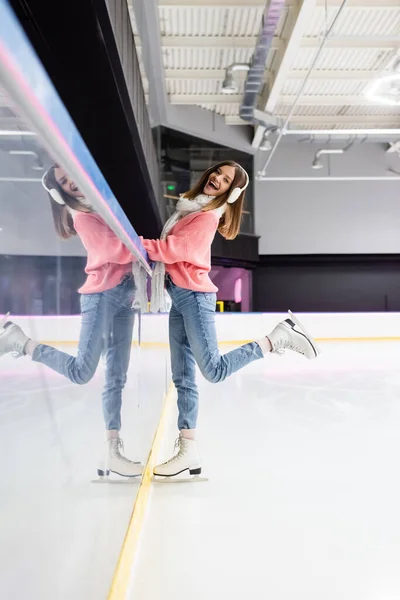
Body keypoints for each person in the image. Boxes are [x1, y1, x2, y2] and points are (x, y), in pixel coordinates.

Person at [141, 161, 319, 480]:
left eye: (225, 180)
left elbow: (172, 249)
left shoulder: (207, 217)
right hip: (180, 296)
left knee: (214, 370)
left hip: (194, 297)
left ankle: (276, 338)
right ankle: (188, 450)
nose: (217, 179)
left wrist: (135, 244)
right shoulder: (190, 209)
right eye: (217, 173)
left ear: (230, 191)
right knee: (183, 377)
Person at [0, 164, 143, 479]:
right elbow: (116, 251)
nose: (72, 183)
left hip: (124, 295)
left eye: (71, 176)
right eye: (64, 181)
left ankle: (112, 450)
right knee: (82, 371)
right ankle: (20, 342)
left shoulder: (102, 206)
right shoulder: (82, 216)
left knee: (116, 376)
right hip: (101, 296)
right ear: (60, 190)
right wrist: (148, 249)